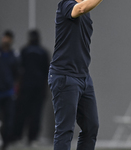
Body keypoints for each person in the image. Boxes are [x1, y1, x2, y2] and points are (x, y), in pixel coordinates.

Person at [48, 0, 103, 150]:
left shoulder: (87, 13)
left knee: (91, 126)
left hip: (83, 77)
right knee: (65, 130)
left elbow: (86, 7)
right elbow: (81, 8)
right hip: (64, 75)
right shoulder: (66, 4)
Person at [12, 30, 49, 145]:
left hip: (26, 87)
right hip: (38, 87)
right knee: (35, 114)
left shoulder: (24, 51)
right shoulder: (43, 52)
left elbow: (18, 69)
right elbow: (48, 71)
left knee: (22, 112)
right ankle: (32, 138)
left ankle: (19, 137)